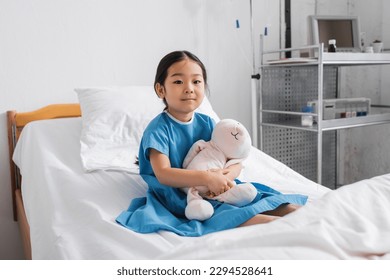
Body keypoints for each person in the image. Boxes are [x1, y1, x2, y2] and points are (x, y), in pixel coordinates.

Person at [116, 51, 307, 235]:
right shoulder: (158, 129)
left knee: (286, 207)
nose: (189, 87)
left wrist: (224, 177)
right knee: (244, 217)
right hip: (181, 195)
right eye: (178, 81)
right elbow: (164, 174)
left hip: (217, 186)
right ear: (160, 89)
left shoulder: (207, 122)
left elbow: (234, 160)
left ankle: (310, 221)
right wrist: (207, 178)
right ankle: (287, 230)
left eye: (196, 81)